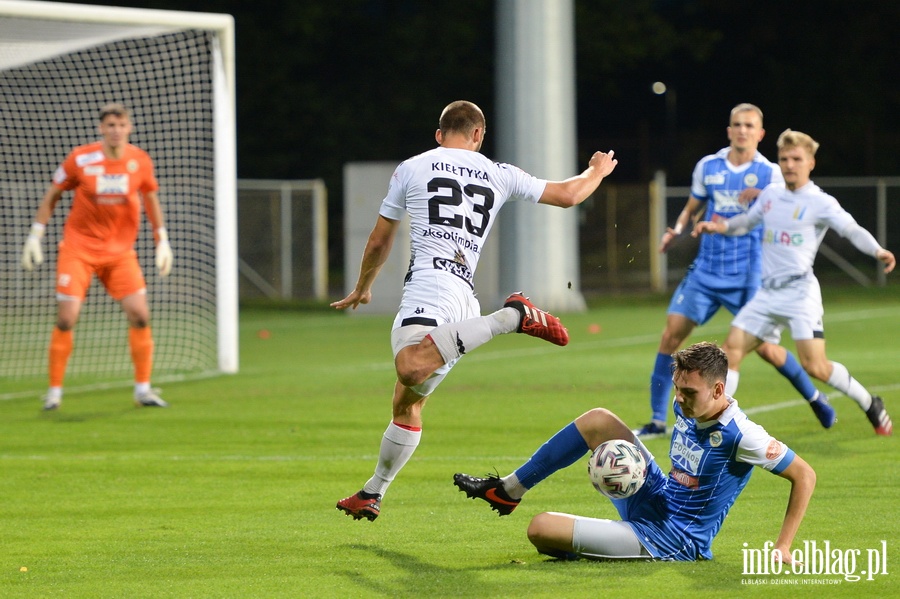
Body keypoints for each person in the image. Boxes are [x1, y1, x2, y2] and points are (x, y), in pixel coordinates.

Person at [332, 100, 618, 521]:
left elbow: (379, 240)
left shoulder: (413, 166)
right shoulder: (499, 172)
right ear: (479, 136)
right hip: (464, 299)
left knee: (409, 367)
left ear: (439, 134)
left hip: (431, 285)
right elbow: (568, 194)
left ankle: (513, 317)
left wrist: (362, 287)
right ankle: (373, 492)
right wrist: (597, 170)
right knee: (406, 405)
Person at [454, 342, 816, 562]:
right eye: (677, 389)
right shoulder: (685, 407)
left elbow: (805, 475)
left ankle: (609, 545)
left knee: (541, 528)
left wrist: (783, 545)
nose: (679, 399)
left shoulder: (744, 436)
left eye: (689, 393)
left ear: (719, 391)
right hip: (657, 494)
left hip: (674, 536)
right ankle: (507, 491)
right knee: (599, 420)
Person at [635, 104, 829, 439]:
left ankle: (814, 397)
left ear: (760, 133)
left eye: (749, 125)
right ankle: (656, 419)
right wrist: (677, 228)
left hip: (750, 275)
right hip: (707, 271)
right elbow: (692, 208)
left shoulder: (770, 173)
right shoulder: (708, 167)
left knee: (767, 349)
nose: (742, 130)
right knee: (670, 335)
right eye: (736, 124)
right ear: (728, 130)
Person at [693, 129, 895, 436]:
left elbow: (851, 230)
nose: (789, 164)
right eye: (784, 159)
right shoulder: (771, 195)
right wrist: (719, 227)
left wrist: (877, 250)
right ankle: (721, 426)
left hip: (800, 292)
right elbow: (745, 223)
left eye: (796, 159)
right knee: (731, 352)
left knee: (816, 366)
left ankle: (870, 403)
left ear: (810, 162)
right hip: (767, 294)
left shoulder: (820, 202)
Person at [21, 103, 173, 411]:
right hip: (79, 250)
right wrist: (35, 235)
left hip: (120, 254)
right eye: (110, 125)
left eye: (121, 124)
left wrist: (163, 240)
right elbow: (53, 194)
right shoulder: (81, 158)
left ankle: (143, 390)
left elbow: (151, 197)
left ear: (129, 127)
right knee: (67, 318)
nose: (116, 130)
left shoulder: (139, 161)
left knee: (140, 315)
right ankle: (54, 393)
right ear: (101, 128)